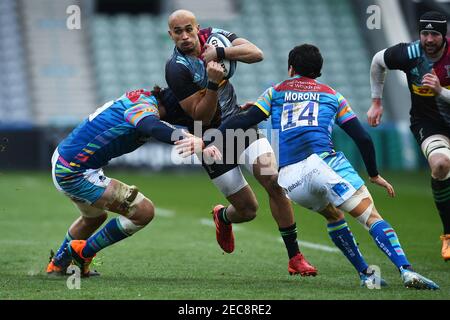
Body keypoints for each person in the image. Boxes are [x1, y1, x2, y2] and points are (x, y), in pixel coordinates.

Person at [206, 44, 439, 289]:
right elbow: (363, 138)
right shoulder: (332, 95)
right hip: (323, 165)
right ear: (318, 71)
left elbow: (243, 121)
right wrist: (373, 174)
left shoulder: (275, 93)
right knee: (370, 217)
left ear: (290, 68)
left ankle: (366, 274)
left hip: (290, 180)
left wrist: (210, 139)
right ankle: (407, 271)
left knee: (333, 214)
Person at [165, 9, 317, 276]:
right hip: (209, 139)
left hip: (240, 126)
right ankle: (223, 217)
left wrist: (222, 54)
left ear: (197, 27)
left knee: (273, 181)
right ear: (171, 35)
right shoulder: (176, 69)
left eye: (189, 29)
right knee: (248, 211)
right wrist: (212, 84)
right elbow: (200, 115)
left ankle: (295, 258)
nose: (185, 36)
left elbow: (256, 53)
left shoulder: (216, 37)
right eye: (178, 32)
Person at [46, 87, 219, 276]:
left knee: (94, 218)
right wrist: (188, 139)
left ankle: (59, 264)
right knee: (143, 212)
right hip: (74, 172)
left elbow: (163, 125)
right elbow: (153, 127)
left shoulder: (145, 98)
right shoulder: (143, 108)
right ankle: (83, 253)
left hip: (67, 160)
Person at [367, 11, 450, 262]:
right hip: (429, 123)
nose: (428, 39)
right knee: (440, 165)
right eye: (424, 33)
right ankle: (448, 235)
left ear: (444, 35)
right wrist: (376, 102)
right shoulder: (409, 54)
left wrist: (439, 91)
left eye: (434, 33)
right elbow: (377, 61)